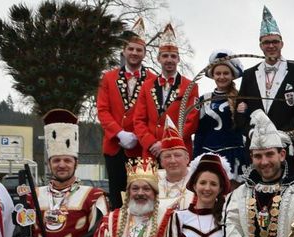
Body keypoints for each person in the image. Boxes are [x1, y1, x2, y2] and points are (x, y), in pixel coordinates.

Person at [239, 6, 294, 177]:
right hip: (256, 146)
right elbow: (241, 110)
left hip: (286, 144)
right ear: (260, 46)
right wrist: (251, 132)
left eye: (275, 42)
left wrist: (280, 135)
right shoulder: (249, 74)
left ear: (282, 44)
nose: (271, 46)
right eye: (266, 42)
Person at [97, 18, 152, 210]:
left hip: (140, 148)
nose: (134, 53)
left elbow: (152, 115)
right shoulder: (108, 77)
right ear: (124, 50)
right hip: (115, 146)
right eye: (131, 49)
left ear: (145, 53)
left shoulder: (153, 80)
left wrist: (138, 135)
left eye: (139, 50)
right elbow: (103, 110)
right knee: (117, 198)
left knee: (142, 197)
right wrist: (119, 133)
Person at [132, 24, 199, 160]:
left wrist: (167, 143)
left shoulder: (190, 86)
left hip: (178, 152)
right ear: (158, 59)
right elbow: (139, 120)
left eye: (173, 56)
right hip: (152, 152)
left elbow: (191, 122)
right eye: (165, 56)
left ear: (178, 59)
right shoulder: (146, 86)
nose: (169, 60)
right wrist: (151, 143)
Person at [194, 50, 249, 182]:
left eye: (226, 73)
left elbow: (245, 128)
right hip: (208, 155)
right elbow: (200, 131)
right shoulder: (204, 99)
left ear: (232, 75)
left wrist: (243, 112)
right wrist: (195, 157)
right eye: (218, 73)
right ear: (213, 75)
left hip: (234, 156)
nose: (222, 77)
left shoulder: (241, 98)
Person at [156, 122, 195, 211]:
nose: (173, 161)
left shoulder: (198, 180)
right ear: (161, 162)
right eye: (167, 156)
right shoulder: (153, 183)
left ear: (187, 158)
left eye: (177, 155)